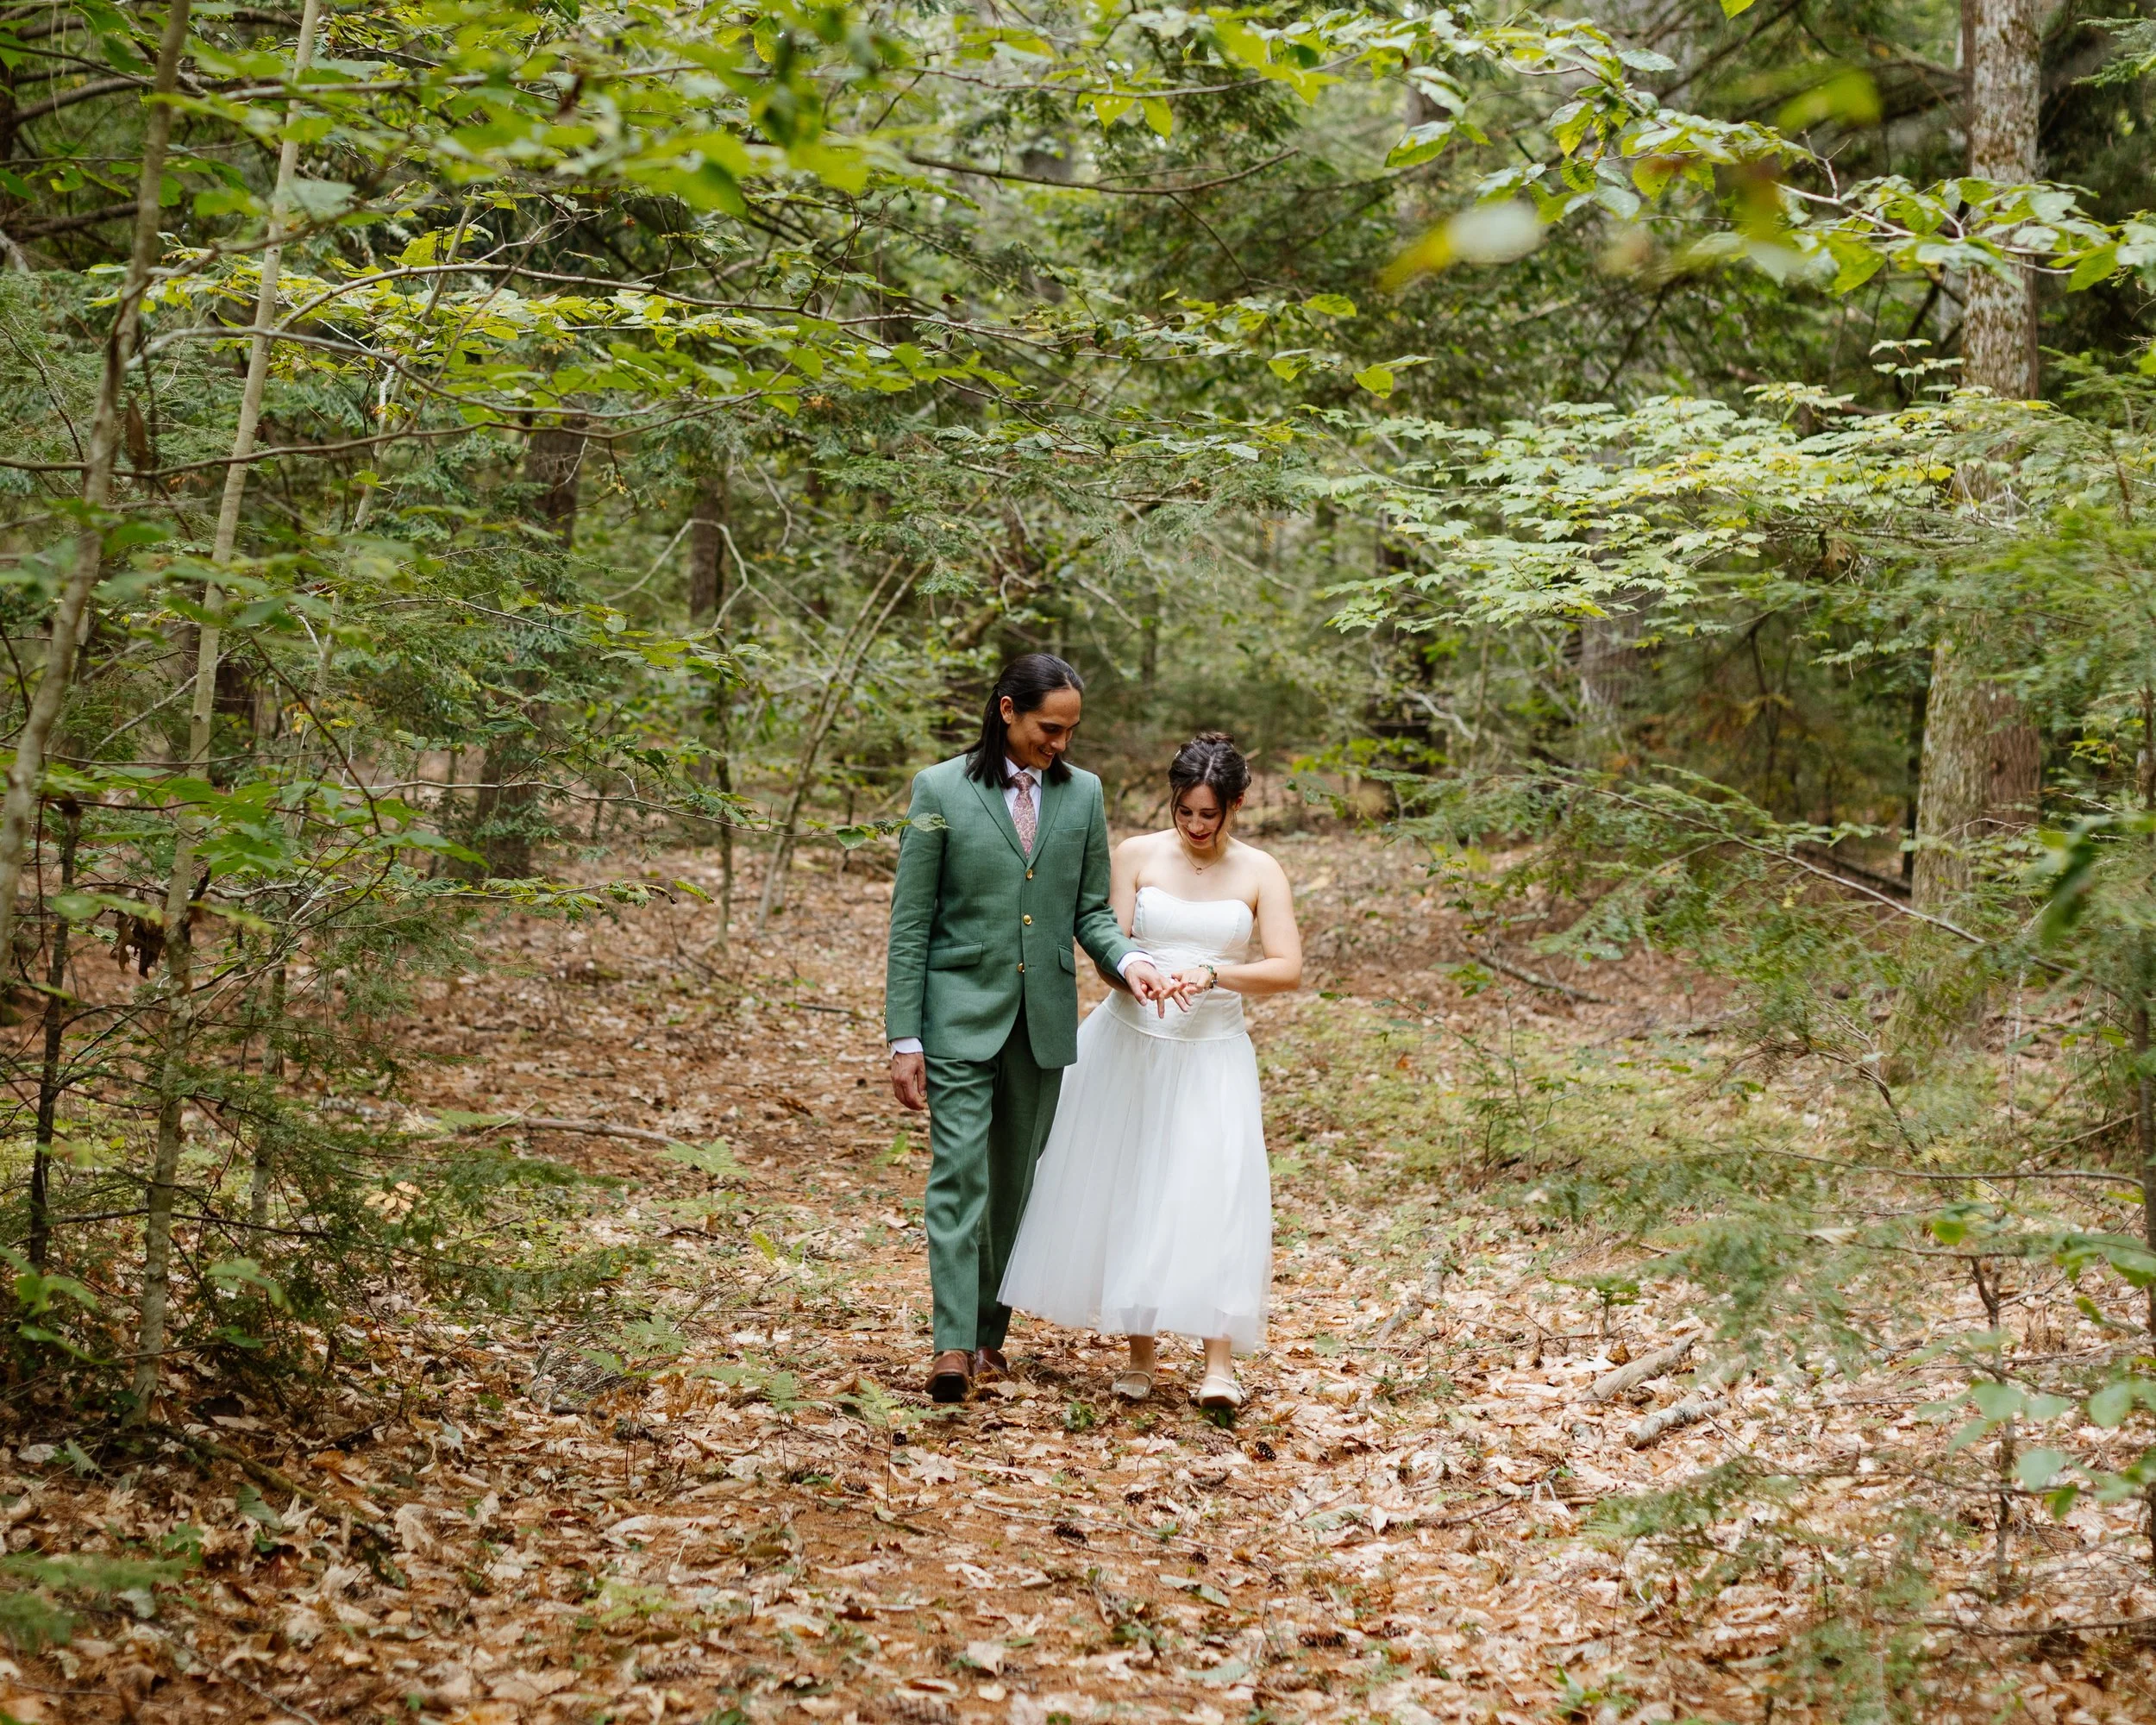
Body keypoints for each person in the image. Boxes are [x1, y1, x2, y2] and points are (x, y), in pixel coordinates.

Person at [885, 655, 1178, 1404]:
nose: (1063, 743)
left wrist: (1131, 960)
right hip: (955, 1019)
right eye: (1052, 727)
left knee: (1018, 1186)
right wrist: (904, 1036)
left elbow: (1087, 912)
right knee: (960, 1176)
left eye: (1073, 730)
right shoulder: (938, 789)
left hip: (1042, 1020)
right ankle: (950, 1342)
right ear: (1009, 710)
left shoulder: (1083, 796)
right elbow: (911, 922)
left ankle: (990, 1339)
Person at [999, 731, 1302, 1409]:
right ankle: (1140, 1350)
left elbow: (1286, 967)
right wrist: (1135, 975)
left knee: (1216, 1191)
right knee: (1131, 1183)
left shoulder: (1261, 871)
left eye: (1209, 814)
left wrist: (1214, 972)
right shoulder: (1135, 854)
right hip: (1130, 1042)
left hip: (1213, 1052)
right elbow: (1106, 941)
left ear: (1237, 805)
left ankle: (1219, 1362)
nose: (1195, 826)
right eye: (1184, 811)